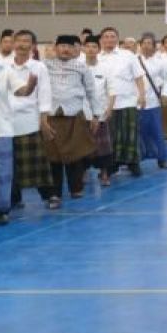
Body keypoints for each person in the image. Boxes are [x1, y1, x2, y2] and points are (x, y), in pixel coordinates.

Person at [42, 35, 103, 207]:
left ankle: (76, 189)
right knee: (53, 157)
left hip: (75, 116)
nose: (65, 49)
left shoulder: (81, 67)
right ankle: (54, 194)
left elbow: (92, 92)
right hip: (51, 117)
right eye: (62, 46)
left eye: (69, 46)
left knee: (75, 155)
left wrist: (96, 116)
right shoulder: (44, 66)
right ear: (56, 48)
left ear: (75, 49)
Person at [7, 30, 54, 208]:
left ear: (33, 46)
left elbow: (44, 94)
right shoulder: (2, 65)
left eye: (26, 41)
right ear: (13, 43)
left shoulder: (39, 67)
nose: (22, 44)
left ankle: (49, 195)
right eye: (18, 40)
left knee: (37, 162)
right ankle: (13, 198)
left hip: (29, 121)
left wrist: (44, 120)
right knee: (9, 163)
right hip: (5, 123)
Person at [0, 53, 35, 224]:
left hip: (0, 130)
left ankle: (0, 210)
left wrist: (30, 86)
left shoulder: (5, 71)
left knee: (1, 174)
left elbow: (22, 91)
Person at [98, 27, 146, 177]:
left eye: (112, 36)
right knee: (110, 136)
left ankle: (133, 163)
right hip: (106, 104)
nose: (109, 39)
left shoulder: (128, 55)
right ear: (101, 40)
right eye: (106, 37)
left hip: (128, 101)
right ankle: (112, 166)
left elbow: (138, 77)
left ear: (117, 39)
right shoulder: (98, 58)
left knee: (130, 134)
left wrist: (142, 95)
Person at [135, 33, 167, 170]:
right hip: (136, 104)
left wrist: (165, 94)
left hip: (154, 103)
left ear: (154, 46)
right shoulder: (134, 61)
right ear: (140, 45)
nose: (146, 46)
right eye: (144, 43)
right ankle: (135, 161)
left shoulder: (160, 62)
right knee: (138, 134)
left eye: (149, 43)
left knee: (157, 132)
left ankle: (162, 159)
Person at [81, 35, 114, 186]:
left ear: (98, 50)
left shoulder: (106, 68)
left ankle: (105, 173)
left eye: (94, 47)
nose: (91, 49)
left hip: (100, 112)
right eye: (88, 46)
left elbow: (111, 89)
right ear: (83, 48)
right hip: (82, 114)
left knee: (103, 147)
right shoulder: (78, 67)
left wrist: (109, 108)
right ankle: (82, 172)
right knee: (83, 146)